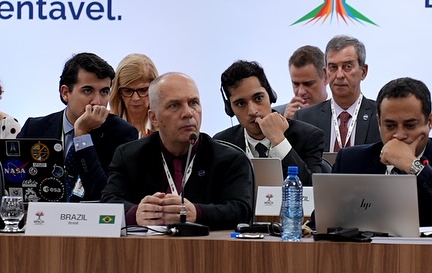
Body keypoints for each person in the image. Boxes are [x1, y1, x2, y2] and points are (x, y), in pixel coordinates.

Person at [103, 73, 253, 230]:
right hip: (145, 245)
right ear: (154, 118)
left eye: (193, 103)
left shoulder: (229, 159)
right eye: (174, 105)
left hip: (206, 245)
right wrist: (135, 214)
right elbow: (108, 202)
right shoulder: (129, 155)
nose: (188, 113)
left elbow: (241, 210)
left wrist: (198, 213)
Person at [333, 77, 432, 228]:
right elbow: (326, 222)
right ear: (379, 122)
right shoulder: (350, 161)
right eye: (390, 126)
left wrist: (414, 166)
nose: (399, 135)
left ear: (430, 122)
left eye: (410, 125)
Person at [18, 52, 138, 200]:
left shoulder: (122, 133)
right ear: (65, 93)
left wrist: (82, 135)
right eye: (88, 90)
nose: (97, 101)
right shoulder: (34, 128)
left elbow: (105, 196)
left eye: (104, 92)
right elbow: (14, 183)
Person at [214, 60, 327, 184]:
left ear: (270, 96)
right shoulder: (222, 144)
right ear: (230, 109)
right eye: (241, 103)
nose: (252, 111)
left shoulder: (308, 137)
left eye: (258, 98)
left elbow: (312, 189)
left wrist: (279, 141)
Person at [295, 35, 380, 151]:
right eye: (333, 67)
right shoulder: (304, 119)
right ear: (325, 73)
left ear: (364, 72)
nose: (339, 75)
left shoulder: (380, 117)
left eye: (347, 67)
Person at [108, 52, 159, 140]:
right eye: (128, 91)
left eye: (143, 90)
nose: (135, 98)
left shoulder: (166, 125)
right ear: (118, 92)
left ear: (154, 89)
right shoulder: (105, 125)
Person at [283, 44, 328, 119]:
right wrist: (288, 123)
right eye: (296, 84)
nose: (300, 92)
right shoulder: (280, 118)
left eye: (308, 84)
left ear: (326, 77)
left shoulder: (342, 116)